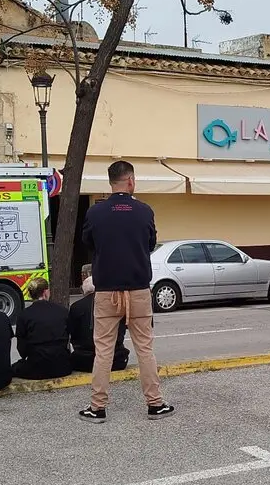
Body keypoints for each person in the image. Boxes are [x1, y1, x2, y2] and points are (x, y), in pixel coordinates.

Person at [79, 160, 173, 423]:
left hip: (107, 291)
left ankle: (97, 407)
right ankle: (155, 404)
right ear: (130, 181)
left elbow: (89, 242)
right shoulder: (144, 211)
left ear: (111, 182)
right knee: (145, 348)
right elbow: (151, 242)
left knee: (103, 350)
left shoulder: (96, 213)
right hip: (139, 290)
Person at [69, 264, 129, 373]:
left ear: (83, 291)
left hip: (84, 361)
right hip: (116, 360)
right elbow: (123, 329)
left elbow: (73, 334)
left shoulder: (76, 307)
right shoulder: (114, 304)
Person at [13, 277, 73, 380]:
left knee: (15, 367)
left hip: (36, 367)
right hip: (62, 366)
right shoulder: (62, 311)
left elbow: (21, 347)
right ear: (45, 292)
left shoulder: (24, 315)